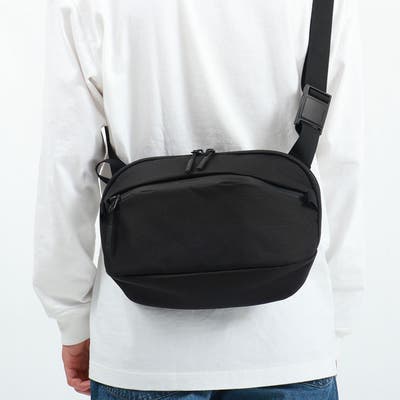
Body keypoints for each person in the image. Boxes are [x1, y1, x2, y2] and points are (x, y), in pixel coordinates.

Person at [33, 0, 365, 399]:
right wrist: (334, 321)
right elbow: (344, 163)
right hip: (289, 338)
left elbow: (66, 163)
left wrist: (71, 317)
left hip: (142, 350)